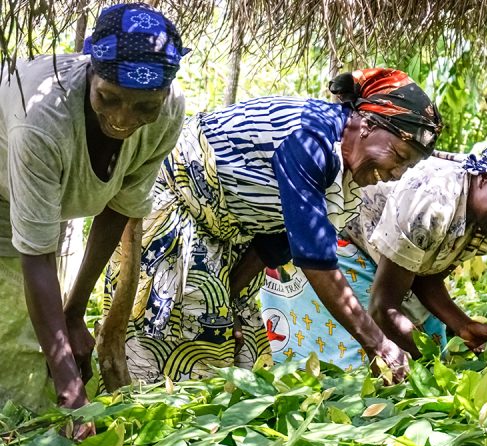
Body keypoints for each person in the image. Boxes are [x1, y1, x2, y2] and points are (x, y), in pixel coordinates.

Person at [105, 68, 443, 383]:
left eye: (406, 167)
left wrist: (230, 299)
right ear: (367, 124)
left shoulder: (342, 174)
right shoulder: (310, 140)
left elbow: (273, 243)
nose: (396, 173)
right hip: (179, 203)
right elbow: (315, 259)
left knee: (237, 344)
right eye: (398, 156)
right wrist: (377, 343)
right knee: (178, 338)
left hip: (228, 232)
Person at [0, 3, 187, 415]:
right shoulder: (42, 120)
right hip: (1, 194)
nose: (122, 120)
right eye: (109, 98)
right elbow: (36, 253)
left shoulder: (170, 110)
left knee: (51, 344)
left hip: (37, 193)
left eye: (144, 108)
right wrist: (69, 386)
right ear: (91, 73)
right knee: (15, 339)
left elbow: (120, 206)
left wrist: (74, 312)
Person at [262, 132, 487, 368]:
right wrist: (434, 368)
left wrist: (462, 325)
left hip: (394, 266)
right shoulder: (434, 205)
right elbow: (383, 306)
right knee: (352, 365)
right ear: (485, 179)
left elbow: (427, 274)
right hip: (351, 245)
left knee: (420, 349)